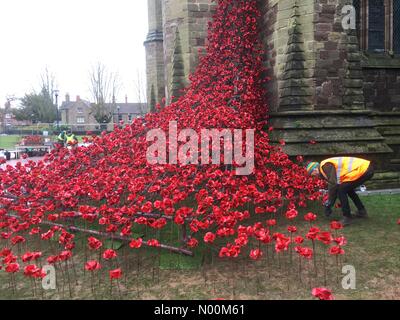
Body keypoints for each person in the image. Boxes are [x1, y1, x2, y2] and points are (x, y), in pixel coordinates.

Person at [306, 157, 374, 226]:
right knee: (347, 189)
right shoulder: (324, 167)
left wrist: (329, 203)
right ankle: (361, 211)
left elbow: (333, 185)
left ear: (314, 170)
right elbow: (334, 185)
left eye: (312, 175)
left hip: (363, 169)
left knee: (341, 190)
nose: (314, 177)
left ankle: (347, 217)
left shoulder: (325, 166)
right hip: (365, 168)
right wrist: (330, 202)